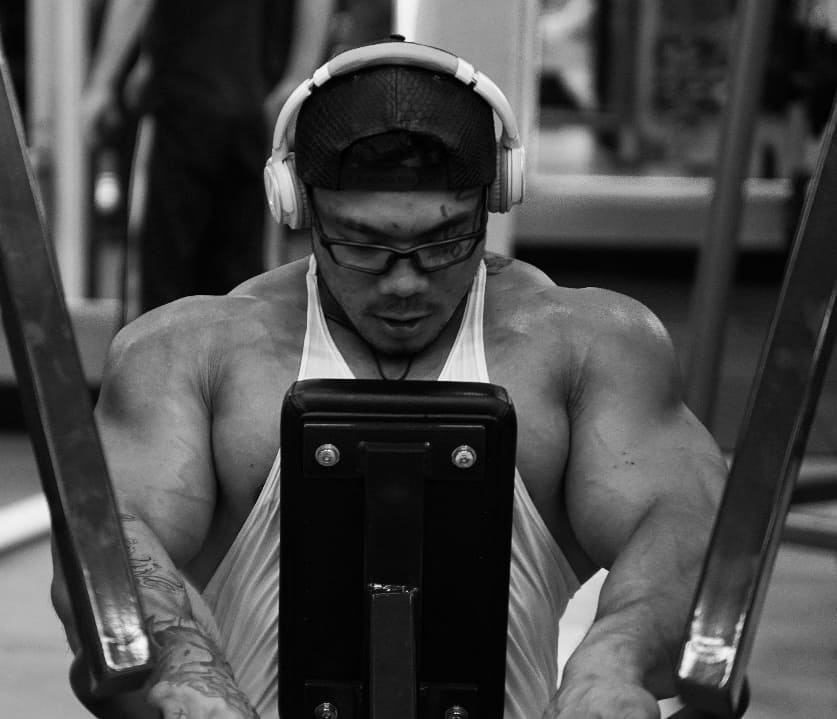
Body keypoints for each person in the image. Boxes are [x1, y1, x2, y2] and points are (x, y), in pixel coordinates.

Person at [53, 38, 727, 719]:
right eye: (362, 242)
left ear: (494, 200)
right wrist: (186, 671)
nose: (404, 280)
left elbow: (687, 524)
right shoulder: (189, 354)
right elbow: (111, 537)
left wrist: (614, 659)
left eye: (443, 240)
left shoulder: (587, 348)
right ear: (297, 206)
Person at [81, 0, 335, 313]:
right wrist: (299, 76)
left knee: (160, 288)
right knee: (243, 291)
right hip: (253, 105)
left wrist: (101, 82)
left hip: (184, 104)